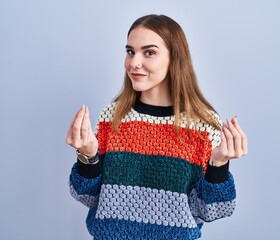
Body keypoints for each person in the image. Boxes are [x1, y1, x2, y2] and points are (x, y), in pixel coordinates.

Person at [66, 14, 248, 240]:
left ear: (175, 58)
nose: (134, 62)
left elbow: (212, 210)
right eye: (130, 51)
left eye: (149, 52)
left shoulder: (202, 126)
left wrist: (218, 166)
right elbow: (88, 196)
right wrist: (87, 156)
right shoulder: (112, 117)